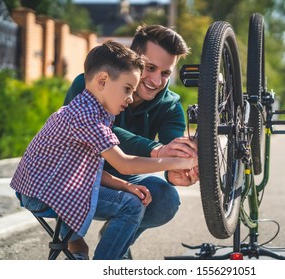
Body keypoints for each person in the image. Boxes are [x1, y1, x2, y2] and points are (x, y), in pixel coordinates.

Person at [10, 41, 197, 260]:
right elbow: (124, 163)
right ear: (103, 81)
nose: (130, 97)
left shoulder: (87, 109)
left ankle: (83, 255)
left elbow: (91, 170)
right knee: (131, 206)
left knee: (131, 196)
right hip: (45, 192)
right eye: (127, 89)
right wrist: (177, 162)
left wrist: (125, 184)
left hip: (43, 187)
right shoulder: (88, 117)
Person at [64, 24, 199, 259]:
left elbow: (171, 151)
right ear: (134, 58)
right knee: (64, 175)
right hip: (77, 176)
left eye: (166, 73)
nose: (157, 81)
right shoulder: (91, 83)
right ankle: (73, 239)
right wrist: (157, 151)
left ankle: (116, 241)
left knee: (167, 198)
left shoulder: (170, 106)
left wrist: (176, 169)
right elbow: (99, 130)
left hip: (126, 179)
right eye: (150, 68)